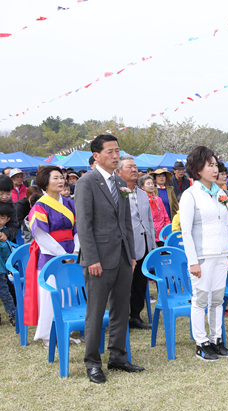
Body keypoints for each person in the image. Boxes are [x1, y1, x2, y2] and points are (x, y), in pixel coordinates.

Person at [75, 134, 143, 384]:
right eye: (110, 151)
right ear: (96, 155)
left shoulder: (119, 180)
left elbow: (126, 222)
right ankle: (92, 362)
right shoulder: (87, 182)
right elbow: (84, 223)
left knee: (121, 309)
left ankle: (118, 357)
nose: (115, 155)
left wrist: (132, 254)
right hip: (98, 259)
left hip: (123, 256)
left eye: (117, 151)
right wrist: (92, 258)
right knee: (95, 312)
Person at [180, 146, 228, 361]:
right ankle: (201, 342)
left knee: (218, 300)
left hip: (221, 254)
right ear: (197, 169)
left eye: (215, 165)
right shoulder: (190, 195)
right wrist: (193, 261)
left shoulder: (220, 192)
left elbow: (226, 225)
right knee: (200, 300)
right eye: (209, 165)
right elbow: (185, 231)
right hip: (202, 257)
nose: (214, 169)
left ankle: (216, 339)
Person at [23, 165, 80, 345]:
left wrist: (76, 251)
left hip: (72, 252)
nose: (60, 181)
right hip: (51, 255)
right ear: (45, 182)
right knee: (52, 294)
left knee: (69, 292)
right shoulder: (39, 206)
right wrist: (63, 255)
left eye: (61, 177)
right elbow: (41, 235)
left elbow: (78, 230)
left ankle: (66, 330)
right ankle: (48, 335)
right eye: (55, 178)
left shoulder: (70, 203)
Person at [117, 156, 156, 330]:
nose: (134, 170)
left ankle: (135, 315)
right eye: (129, 167)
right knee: (125, 283)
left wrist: (152, 243)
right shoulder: (116, 192)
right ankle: (121, 317)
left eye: (135, 167)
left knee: (140, 282)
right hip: (126, 245)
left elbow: (148, 219)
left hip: (145, 242)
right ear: (118, 172)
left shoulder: (142, 193)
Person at [139, 174, 171, 245]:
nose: (151, 185)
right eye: (148, 184)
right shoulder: (141, 200)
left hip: (162, 234)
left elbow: (165, 216)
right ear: (142, 187)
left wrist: (166, 229)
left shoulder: (158, 199)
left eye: (152, 183)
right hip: (151, 234)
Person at [0, 203, 17, 326]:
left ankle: (13, 315)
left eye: (2, 218)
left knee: (5, 294)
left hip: (1, 272)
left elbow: (7, 253)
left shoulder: (3, 235)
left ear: (7, 220)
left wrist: (4, 241)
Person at [0, 175, 20, 243]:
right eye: (1, 194)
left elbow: (13, 226)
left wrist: (5, 233)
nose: (4, 197)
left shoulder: (11, 206)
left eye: (8, 194)